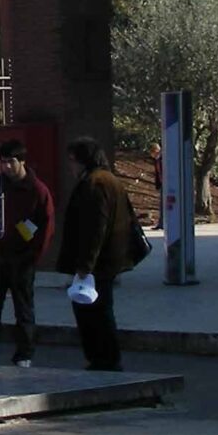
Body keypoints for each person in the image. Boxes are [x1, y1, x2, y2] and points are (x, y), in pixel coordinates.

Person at [58, 137, 133, 372]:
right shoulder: (110, 180)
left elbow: (95, 227)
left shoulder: (95, 183)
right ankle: (105, 358)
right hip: (109, 259)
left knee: (93, 311)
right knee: (99, 309)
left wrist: (85, 264)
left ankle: (103, 358)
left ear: (84, 161)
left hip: (97, 263)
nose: (70, 166)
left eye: (72, 161)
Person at [0, 139, 54, 368]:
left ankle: (24, 354)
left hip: (22, 259)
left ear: (22, 161)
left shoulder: (37, 190)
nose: (6, 167)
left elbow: (46, 226)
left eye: (11, 162)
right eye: (3, 162)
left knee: (23, 309)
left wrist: (32, 257)